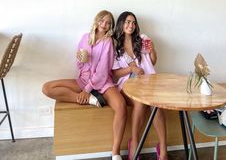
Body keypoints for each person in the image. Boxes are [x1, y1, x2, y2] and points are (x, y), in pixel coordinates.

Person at [42, 10, 127, 160]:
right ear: (96, 21)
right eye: (102, 20)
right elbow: (80, 64)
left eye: (108, 22)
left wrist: (87, 90)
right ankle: (90, 100)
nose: (104, 24)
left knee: (121, 106)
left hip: (103, 83)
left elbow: (102, 72)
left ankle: (115, 152)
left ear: (110, 26)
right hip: (83, 80)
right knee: (47, 88)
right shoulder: (85, 38)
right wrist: (81, 61)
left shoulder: (108, 43)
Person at [112, 11, 168, 160]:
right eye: (128, 22)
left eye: (133, 22)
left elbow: (153, 61)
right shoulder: (115, 44)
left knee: (156, 105)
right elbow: (115, 74)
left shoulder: (142, 39)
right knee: (140, 102)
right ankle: (135, 144)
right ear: (121, 23)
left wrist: (152, 50)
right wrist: (131, 69)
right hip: (127, 82)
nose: (131, 25)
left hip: (147, 81)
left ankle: (163, 150)